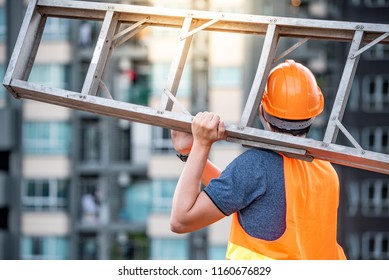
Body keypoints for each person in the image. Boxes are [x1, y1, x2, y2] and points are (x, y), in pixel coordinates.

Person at [170, 59, 346, 260]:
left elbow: (180, 221)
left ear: (262, 109)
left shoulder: (257, 166)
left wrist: (201, 144)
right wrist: (190, 154)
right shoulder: (324, 169)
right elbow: (244, 193)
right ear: (315, 111)